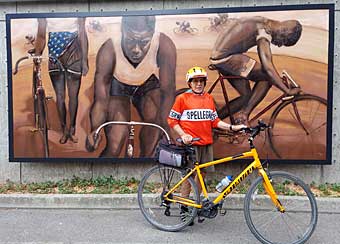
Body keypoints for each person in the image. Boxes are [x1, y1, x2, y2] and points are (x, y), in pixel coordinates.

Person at [86, 15, 176, 157]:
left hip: (147, 84)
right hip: (119, 85)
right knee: (117, 139)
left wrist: (164, 125)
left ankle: (145, 167)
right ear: (123, 31)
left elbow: (168, 90)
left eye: (144, 42)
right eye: (130, 41)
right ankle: (103, 175)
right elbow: (101, 99)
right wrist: (95, 129)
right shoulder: (109, 49)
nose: (136, 49)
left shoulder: (164, 44)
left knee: (154, 130)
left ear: (152, 34)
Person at [167, 66, 246, 224]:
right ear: (190, 83)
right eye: (195, 81)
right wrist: (183, 135)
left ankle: (195, 205)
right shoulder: (182, 98)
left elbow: (215, 122)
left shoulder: (208, 98)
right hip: (191, 144)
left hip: (206, 143)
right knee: (189, 176)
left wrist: (232, 127)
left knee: (201, 175)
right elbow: (172, 120)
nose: (198, 84)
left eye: (201, 81)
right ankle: (184, 208)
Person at [209, 16, 302, 124]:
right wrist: (287, 90)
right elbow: (268, 67)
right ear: (284, 32)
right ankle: (243, 115)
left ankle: (213, 121)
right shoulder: (264, 32)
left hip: (222, 55)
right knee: (267, 77)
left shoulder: (266, 22)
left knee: (246, 97)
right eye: (283, 42)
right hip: (225, 58)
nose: (279, 45)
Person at [34, 17, 89, 144]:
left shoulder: (77, 9)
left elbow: (82, 32)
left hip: (74, 52)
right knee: (60, 96)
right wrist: (38, 54)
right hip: (54, 55)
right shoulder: (44, 12)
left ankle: (72, 128)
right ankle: (64, 129)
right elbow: (41, 35)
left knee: (73, 95)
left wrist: (85, 60)